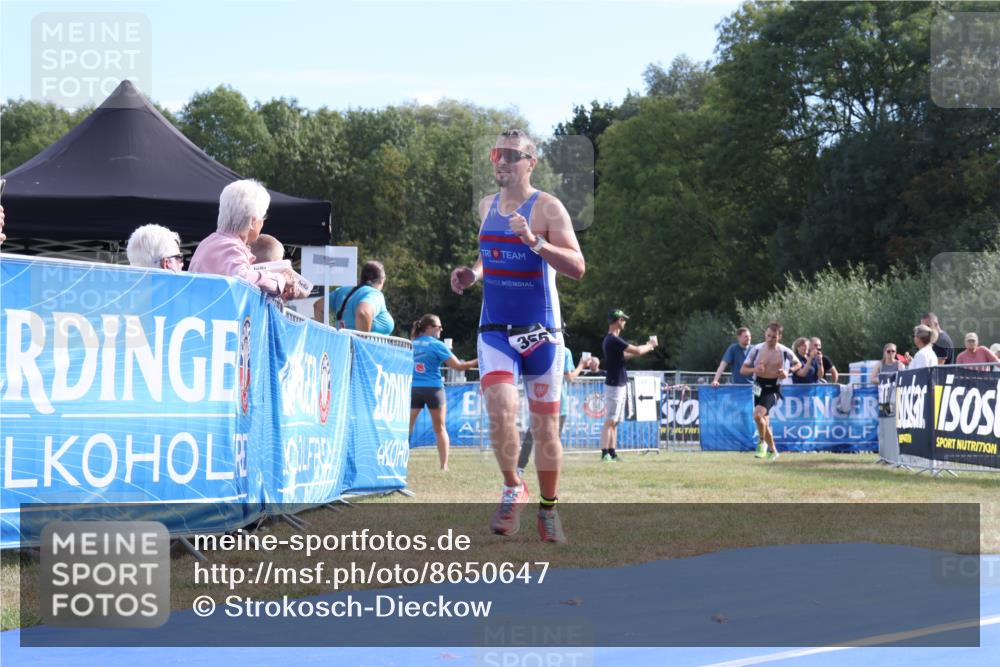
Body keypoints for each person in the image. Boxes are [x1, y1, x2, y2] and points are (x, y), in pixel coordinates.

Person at [450, 128, 585, 543]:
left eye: (512, 155)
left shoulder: (549, 208)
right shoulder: (486, 205)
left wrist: (535, 242)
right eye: (497, 154)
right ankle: (513, 487)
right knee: (500, 409)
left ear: (531, 162)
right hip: (494, 330)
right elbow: (491, 255)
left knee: (545, 430)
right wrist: (472, 273)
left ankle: (548, 509)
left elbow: (578, 267)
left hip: (542, 331)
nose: (502, 162)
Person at [189, 180, 302, 299]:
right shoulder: (230, 247)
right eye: (263, 217)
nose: (263, 222)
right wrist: (281, 279)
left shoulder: (209, 242)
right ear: (253, 221)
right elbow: (243, 279)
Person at [409, 314, 478, 471]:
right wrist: (479, 359)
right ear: (429, 328)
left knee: (407, 427)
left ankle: (399, 461)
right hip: (434, 389)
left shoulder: (410, 344)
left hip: (414, 388)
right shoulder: (437, 345)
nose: (441, 329)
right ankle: (444, 466)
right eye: (438, 327)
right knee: (439, 428)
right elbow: (459, 367)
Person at [517, 345, 587, 479]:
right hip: (558, 402)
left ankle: (520, 467)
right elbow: (570, 378)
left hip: (540, 397)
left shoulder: (536, 348)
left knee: (531, 435)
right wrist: (581, 365)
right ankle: (550, 470)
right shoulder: (565, 351)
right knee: (554, 439)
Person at [600, 309, 658, 462]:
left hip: (619, 383)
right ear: (618, 320)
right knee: (610, 420)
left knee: (616, 421)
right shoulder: (612, 339)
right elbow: (637, 350)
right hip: (614, 384)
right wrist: (650, 345)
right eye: (623, 319)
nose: (625, 322)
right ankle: (605, 453)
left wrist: (647, 347)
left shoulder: (612, 340)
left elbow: (626, 355)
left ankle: (612, 452)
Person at [740, 322, 801, 461]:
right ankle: (773, 451)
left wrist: (787, 371)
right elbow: (743, 370)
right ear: (765, 334)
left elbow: (798, 364)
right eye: (768, 335)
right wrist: (755, 370)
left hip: (773, 388)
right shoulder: (756, 349)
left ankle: (761, 443)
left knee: (757, 416)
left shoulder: (785, 351)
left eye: (773, 337)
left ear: (779, 337)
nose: (770, 339)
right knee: (764, 423)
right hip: (758, 386)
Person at [314, 260, 394, 335]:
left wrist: (323, 335)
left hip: (342, 347)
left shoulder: (342, 291)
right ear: (381, 280)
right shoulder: (374, 294)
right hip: (366, 349)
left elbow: (318, 306)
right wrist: (362, 343)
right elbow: (363, 312)